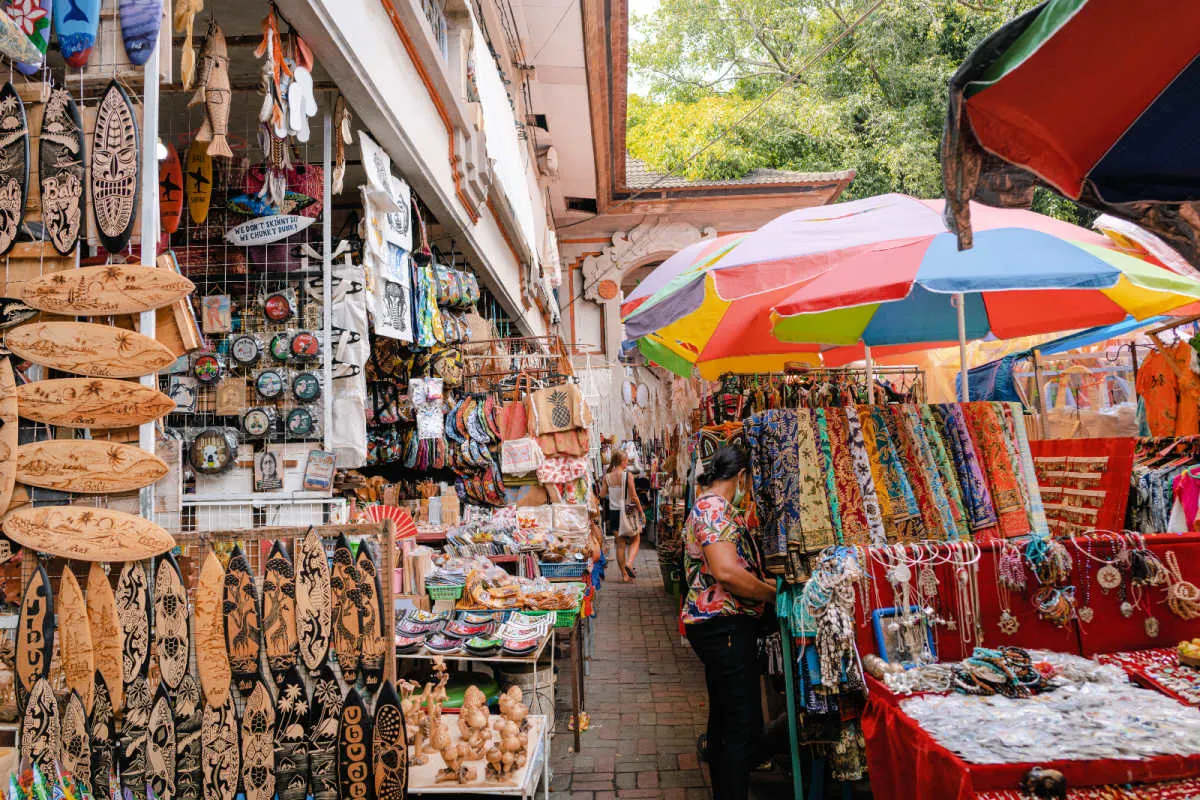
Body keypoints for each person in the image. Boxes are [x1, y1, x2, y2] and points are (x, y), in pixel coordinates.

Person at [681, 445, 776, 800]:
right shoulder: (713, 508)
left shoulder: (712, 506)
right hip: (723, 626)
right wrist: (769, 594)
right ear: (740, 477)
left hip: (721, 626)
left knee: (725, 718)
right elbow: (726, 572)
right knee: (740, 725)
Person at [599, 449, 643, 581]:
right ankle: (629, 563)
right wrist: (641, 511)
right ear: (623, 462)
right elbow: (634, 496)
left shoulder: (607, 477)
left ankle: (624, 575)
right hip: (628, 512)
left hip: (614, 513)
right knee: (636, 538)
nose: (627, 463)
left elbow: (601, 495)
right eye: (627, 461)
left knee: (620, 544)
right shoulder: (627, 475)